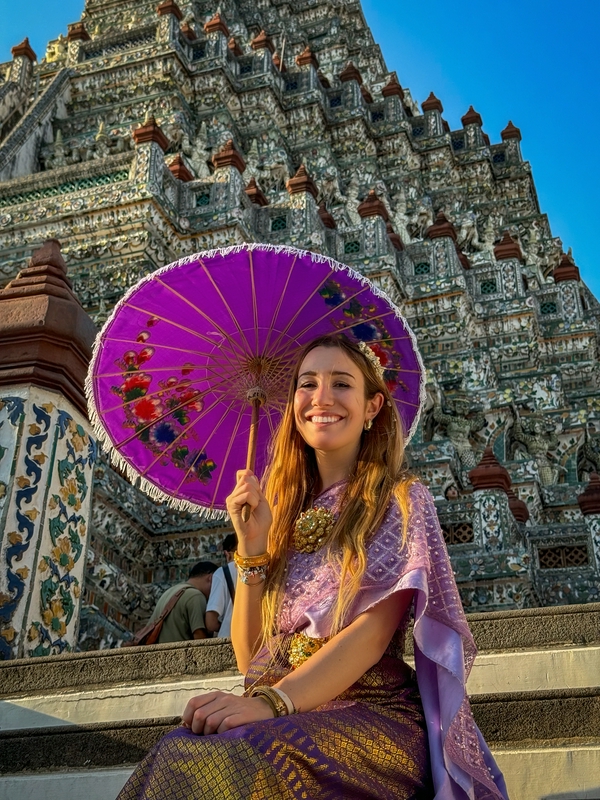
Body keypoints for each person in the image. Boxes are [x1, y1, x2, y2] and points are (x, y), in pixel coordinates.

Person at [118, 335, 509, 799]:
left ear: (372, 407)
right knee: (178, 750)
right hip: (291, 709)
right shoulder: (280, 517)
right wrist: (252, 548)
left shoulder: (401, 500)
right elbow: (252, 660)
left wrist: (272, 702)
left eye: (341, 384)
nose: (321, 398)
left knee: (241, 756)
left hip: (374, 714)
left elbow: (371, 635)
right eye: (307, 385)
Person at [147, 561, 217, 644]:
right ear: (211, 578)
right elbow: (200, 640)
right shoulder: (196, 596)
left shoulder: (169, 592)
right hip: (181, 655)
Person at [206, 533, 238, 638]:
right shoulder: (265, 569)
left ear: (227, 554)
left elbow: (211, 623)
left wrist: (226, 625)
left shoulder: (223, 573)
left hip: (231, 638)